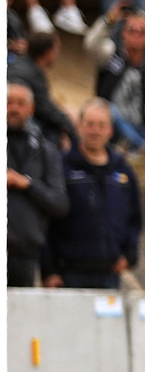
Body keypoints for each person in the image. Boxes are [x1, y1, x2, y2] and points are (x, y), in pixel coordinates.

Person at [41, 100, 141, 290]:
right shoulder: (61, 167)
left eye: (101, 125)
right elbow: (46, 221)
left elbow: (134, 218)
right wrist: (49, 270)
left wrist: (130, 255)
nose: (95, 130)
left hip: (110, 273)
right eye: (89, 124)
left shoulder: (123, 171)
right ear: (78, 127)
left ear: (110, 130)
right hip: (68, 273)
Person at [86, 5, 145, 163]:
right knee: (109, 109)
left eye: (142, 32)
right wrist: (109, 20)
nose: (136, 35)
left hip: (144, 128)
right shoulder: (110, 55)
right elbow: (90, 44)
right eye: (131, 30)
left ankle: (139, 147)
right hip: (112, 128)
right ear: (123, 34)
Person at [5, 80, 69, 287]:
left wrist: (27, 184)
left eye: (20, 103)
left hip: (26, 254)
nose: (13, 108)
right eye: (8, 102)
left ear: (31, 109)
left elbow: (59, 203)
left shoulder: (45, 151)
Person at [11, 32, 75, 149]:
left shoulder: (23, 64)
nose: (58, 54)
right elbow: (46, 109)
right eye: (57, 49)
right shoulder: (31, 74)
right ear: (48, 52)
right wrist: (72, 130)